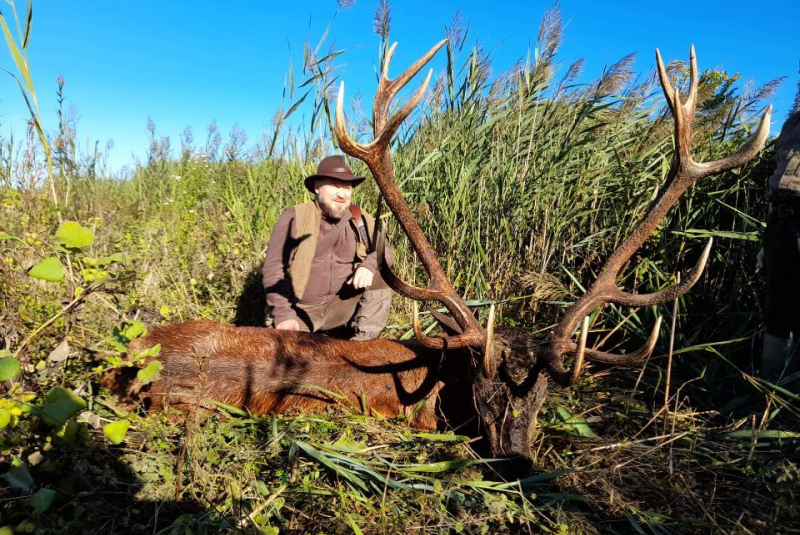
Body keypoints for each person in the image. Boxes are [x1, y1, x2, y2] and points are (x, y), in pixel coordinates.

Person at [262, 155, 394, 340]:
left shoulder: (359, 217)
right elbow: (273, 269)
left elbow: (386, 251)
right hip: (302, 311)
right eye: (335, 186)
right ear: (317, 187)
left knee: (381, 273)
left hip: (342, 306)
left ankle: (363, 344)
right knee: (289, 362)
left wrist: (368, 266)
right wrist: (284, 315)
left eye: (347, 188)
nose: (342, 194)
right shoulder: (295, 217)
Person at [760, 109, 800, 381]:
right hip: (781, 222)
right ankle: (769, 388)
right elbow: (780, 180)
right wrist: (768, 241)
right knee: (778, 307)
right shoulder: (791, 124)